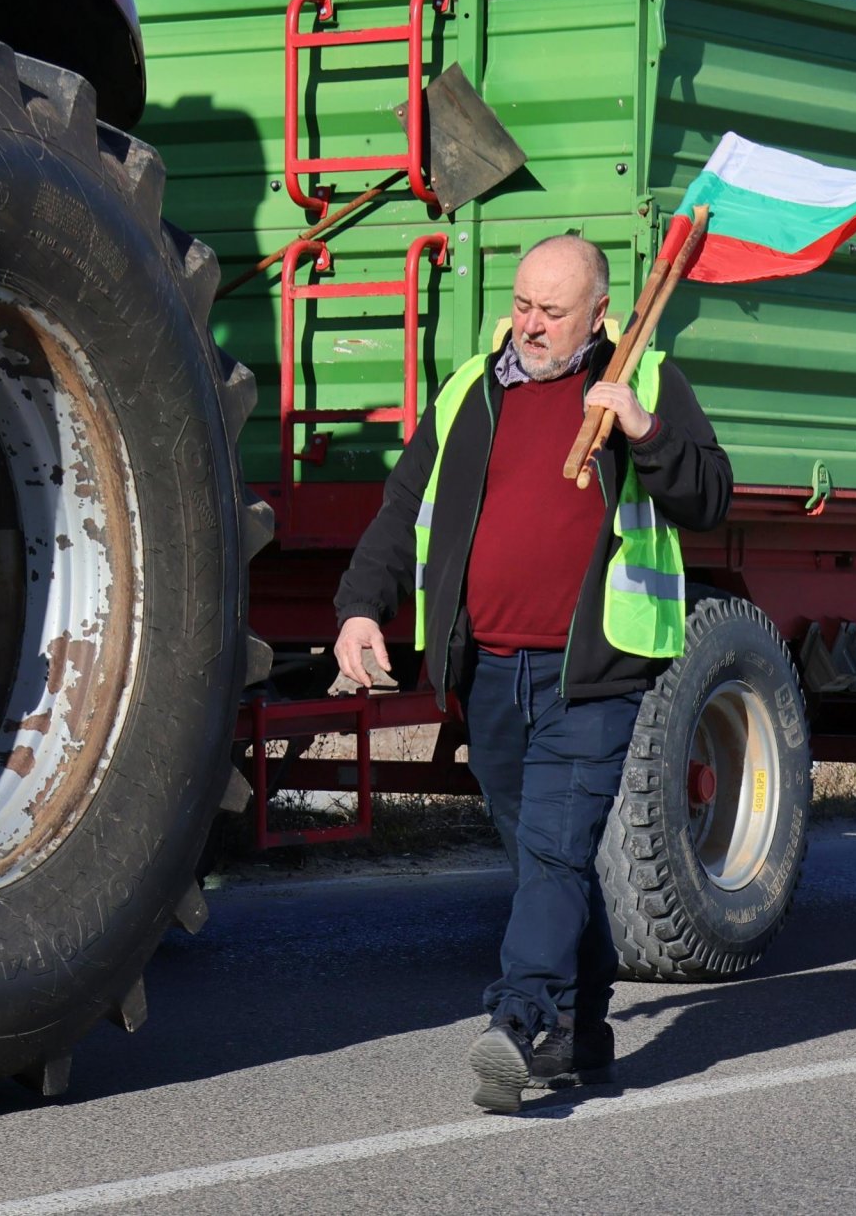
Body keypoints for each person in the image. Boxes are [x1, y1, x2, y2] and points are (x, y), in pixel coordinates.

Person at [330, 233, 731, 1112]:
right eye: (522, 305)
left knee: (552, 849)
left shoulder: (647, 380)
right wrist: (362, 605)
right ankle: (584, 1034)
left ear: (599, 312)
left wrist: (642, 429)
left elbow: (709, 495)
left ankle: (516, 1021)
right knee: (548, 862)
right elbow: (407, 507)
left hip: (593, 670)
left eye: (553, 310)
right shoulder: (472, 389)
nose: (531, 325)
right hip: (487, 673)